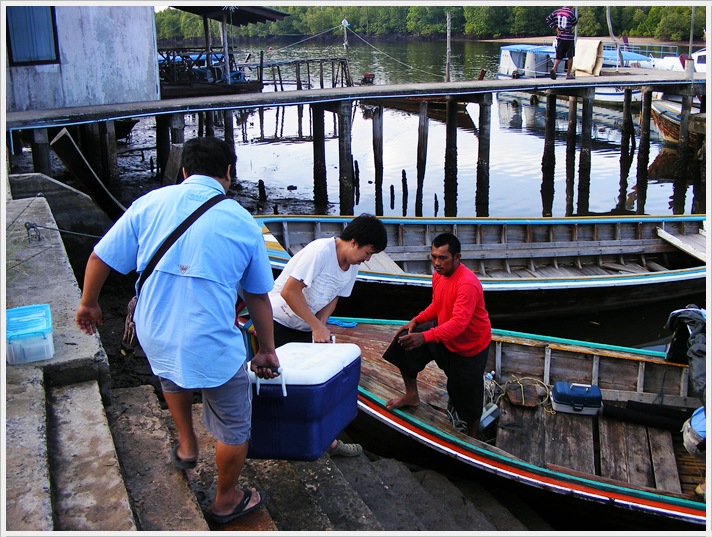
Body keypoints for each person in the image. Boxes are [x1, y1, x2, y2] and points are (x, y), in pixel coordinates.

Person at [74, 136, 281, 525]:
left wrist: (89, 303)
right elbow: (257, 297)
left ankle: (187, 446)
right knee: (234, 425)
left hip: (156, 330)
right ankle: (225, 500)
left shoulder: (150, 203)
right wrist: (266, 350)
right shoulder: (243, 222)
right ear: (229, 174)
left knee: (173, 378)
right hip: (213, 343)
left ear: (185, 170)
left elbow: (101, 254)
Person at [269, 213, 388, 456]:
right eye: (368, 252)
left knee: (316, 383)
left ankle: (326, 440)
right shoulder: (320, 251)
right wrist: (315, 325)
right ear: (353, 242)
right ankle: (282, 440)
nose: (366, 259)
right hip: (278, 321)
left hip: (305, 326)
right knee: (281, 384)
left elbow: (334, 295)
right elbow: (290, 292)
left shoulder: (351, 265)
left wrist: (321, 324)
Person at [382, 233, 492, 438]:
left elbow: (459, 324)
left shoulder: (467, 284)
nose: (436, 263)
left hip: (469, 347)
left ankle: (473, 434)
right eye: (433, 256)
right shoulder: (438, 275)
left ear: (457, 258)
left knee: (465, 393)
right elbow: (438, 305)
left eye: (443, 258)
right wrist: (417, 319)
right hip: (444, 332)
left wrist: (425, 336)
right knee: (403, 344)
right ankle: (411, 395)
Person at [546, 6, 578, 80]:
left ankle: (554, 68)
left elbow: (548, 19)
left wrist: (555, 27)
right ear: (571, 7)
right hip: (569, 38)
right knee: (570, 56)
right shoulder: (570, 13)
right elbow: (575, 22)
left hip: (560, 37)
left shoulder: (557, 11)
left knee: (559, 55)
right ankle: (568, 75)